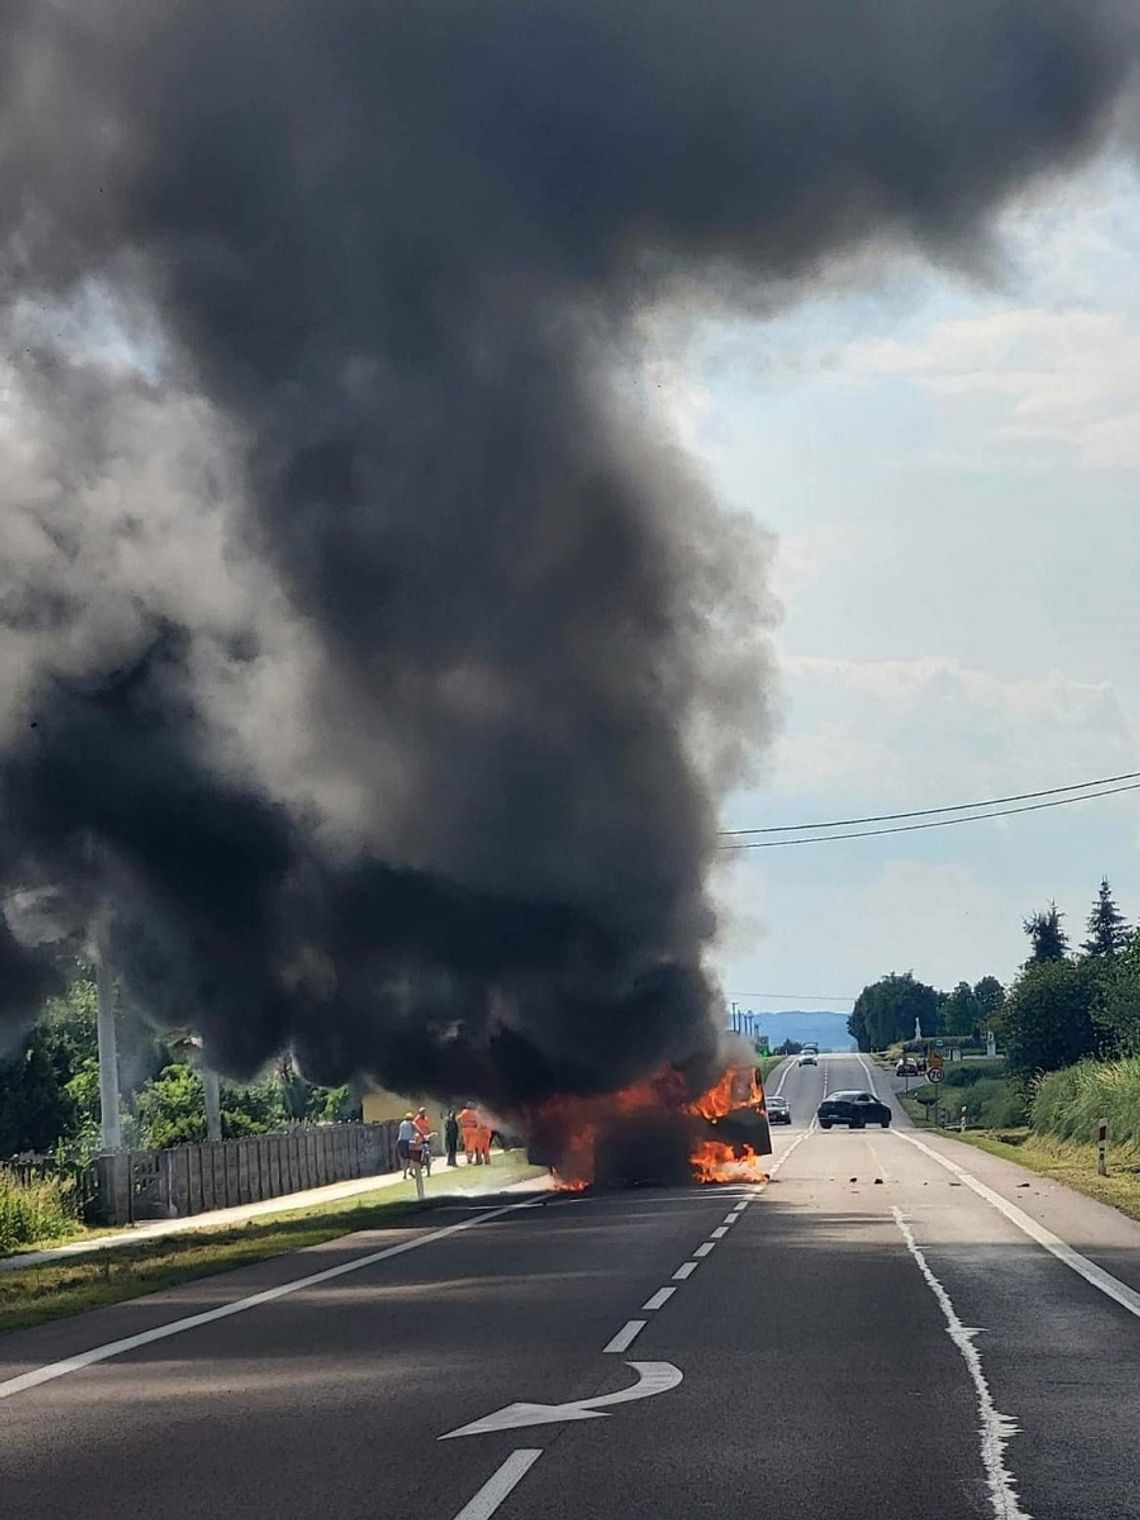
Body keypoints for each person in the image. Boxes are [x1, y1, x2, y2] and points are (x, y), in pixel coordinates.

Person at [396, 1112, 416, 1179]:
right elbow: (414, 1131)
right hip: (407, 1141)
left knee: (404, 1158)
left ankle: (404, 1174)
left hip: (400, 1141)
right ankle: (410, 1171)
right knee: (411, 1157)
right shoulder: (411, 1123)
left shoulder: (402, 1124)